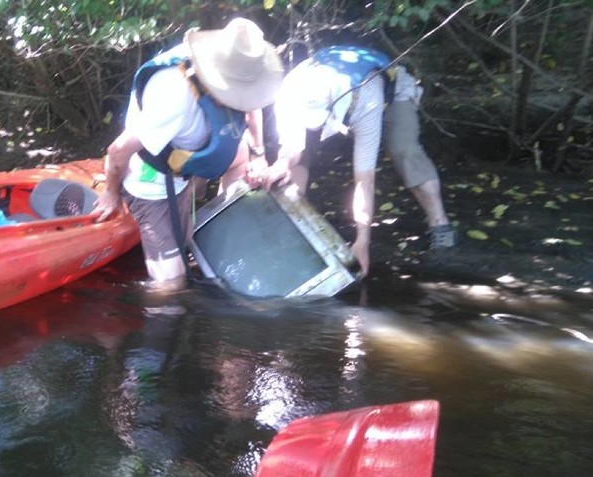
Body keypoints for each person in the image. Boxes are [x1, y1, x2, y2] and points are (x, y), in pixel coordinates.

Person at [93, 18, 284, 291]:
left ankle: (208, 226)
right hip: (151, 181)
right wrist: (111, 192)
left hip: (184, 165)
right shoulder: (173, 95)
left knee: (187, 243)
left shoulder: (239, 76)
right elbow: (118, 149)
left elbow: (251, 106)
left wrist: (258, 154)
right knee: (171, 284)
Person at [261, 46, 455, 277]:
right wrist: (281, 163)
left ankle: (440, 223)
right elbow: (292, 148)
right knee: (298, 157)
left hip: (388, 94)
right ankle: (294, 220)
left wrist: (362, 240)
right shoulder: (290, 93)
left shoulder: (365, 95)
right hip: (339, 98)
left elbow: (365, 180)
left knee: (404, 150)